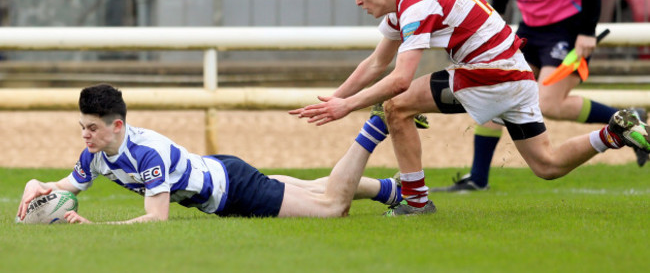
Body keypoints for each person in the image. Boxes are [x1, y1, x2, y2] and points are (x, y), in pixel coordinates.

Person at [290, 0, 650, 216]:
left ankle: (415, 201)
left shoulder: (415, 6)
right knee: (547, 165)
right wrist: (334, 100)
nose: (357, 1)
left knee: (396, 107)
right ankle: (613, 133)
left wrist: (347, 106)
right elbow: (376, 63)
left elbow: (399, 79)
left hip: (490, 73)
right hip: (514, 74)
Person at [431, 0, 648, 193]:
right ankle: (477, 179)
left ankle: (627, 116)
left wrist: (586, 32)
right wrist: (492, 28)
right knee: (496, 89)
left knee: (548, 104)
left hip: (568, 30)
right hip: (531, 30)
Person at [16, 83, 403, 224]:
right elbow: (70, 186)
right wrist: (39, 184)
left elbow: (156, 219)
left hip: (235, 191)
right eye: (82, 127)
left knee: (332, 206)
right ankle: (394, 192)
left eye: (92, 128)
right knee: (319, 189)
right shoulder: (95, 153)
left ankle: (375, 124)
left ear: (117, 125)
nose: (85, 135)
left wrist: (95, 229)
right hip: (224, 175)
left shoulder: (145, 153)